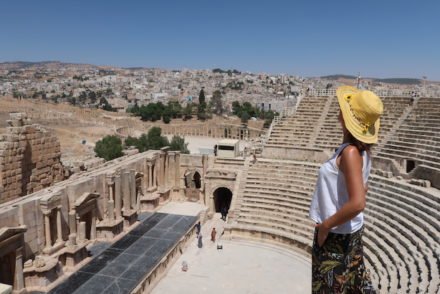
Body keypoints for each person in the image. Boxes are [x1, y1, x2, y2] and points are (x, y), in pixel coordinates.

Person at [309, 86, 382, 293]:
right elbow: (363, 187)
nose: (340, 108)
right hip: (349, 232)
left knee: (329, 287)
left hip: (336, 235)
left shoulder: (350, 152)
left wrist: (325, 227)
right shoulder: (360, 151)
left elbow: (358, 202)